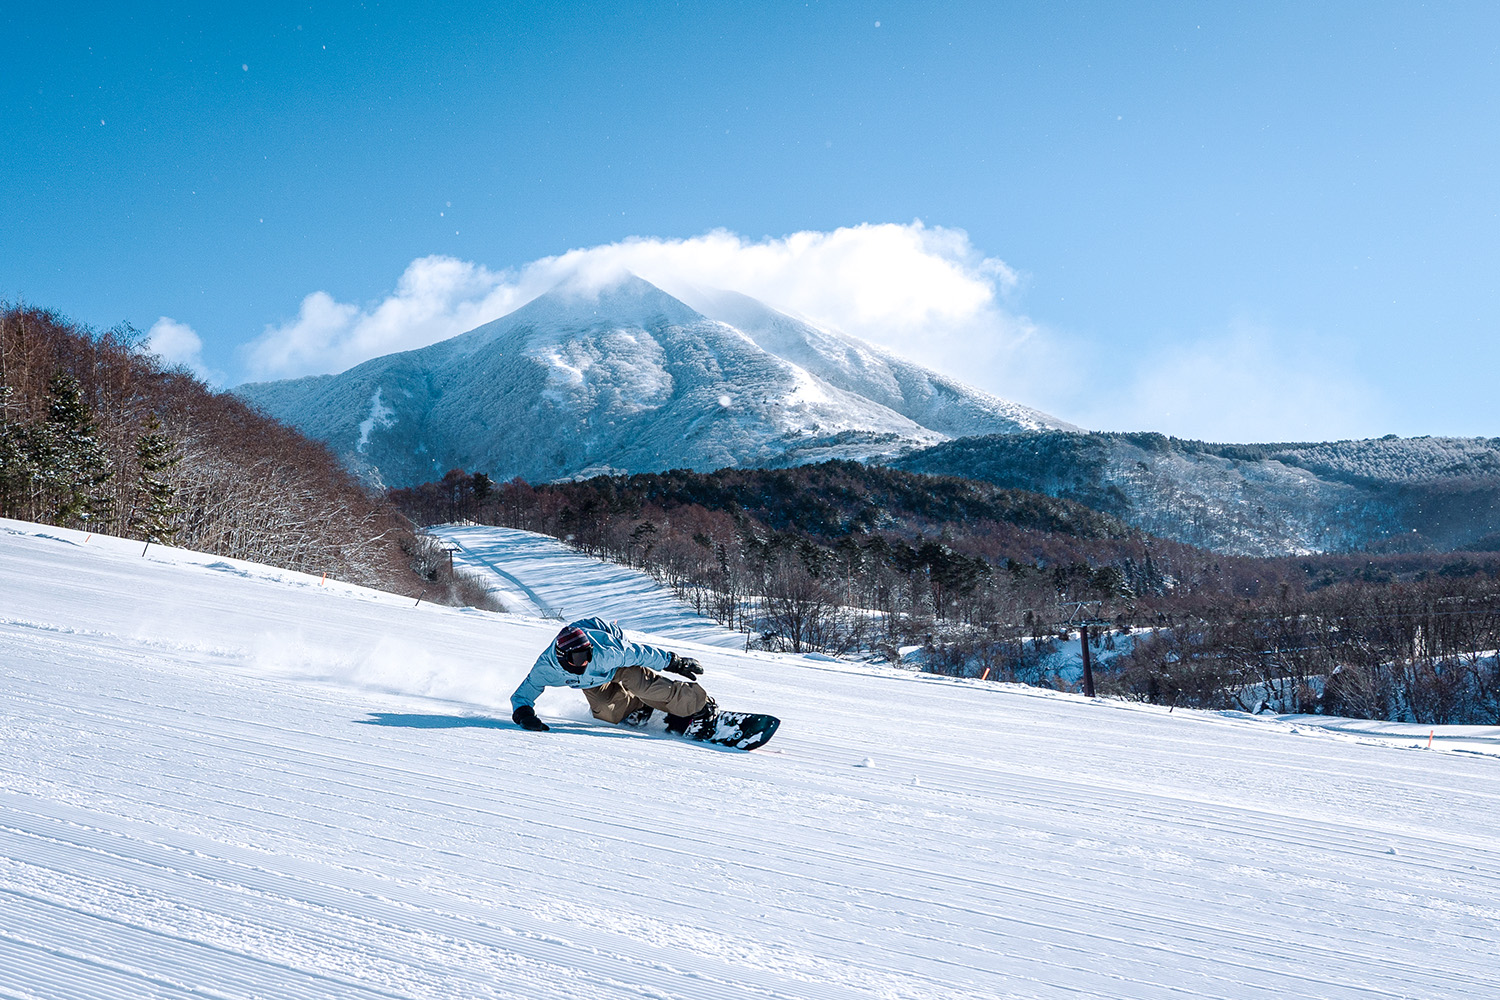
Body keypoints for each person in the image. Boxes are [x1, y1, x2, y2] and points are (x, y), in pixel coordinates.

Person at [510, 617, 718, 737]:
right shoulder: (545, 668)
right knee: (605, 710)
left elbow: (640, 653)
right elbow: (522, 695)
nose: (585, 660)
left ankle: (700, 705)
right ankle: (638, 708)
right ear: (563, 657)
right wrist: (524, 715)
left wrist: (674, 662)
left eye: (587, 654)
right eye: (579, 657)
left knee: (642, 685)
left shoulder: (605, 653)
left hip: (614, 657)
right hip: (592, 679)